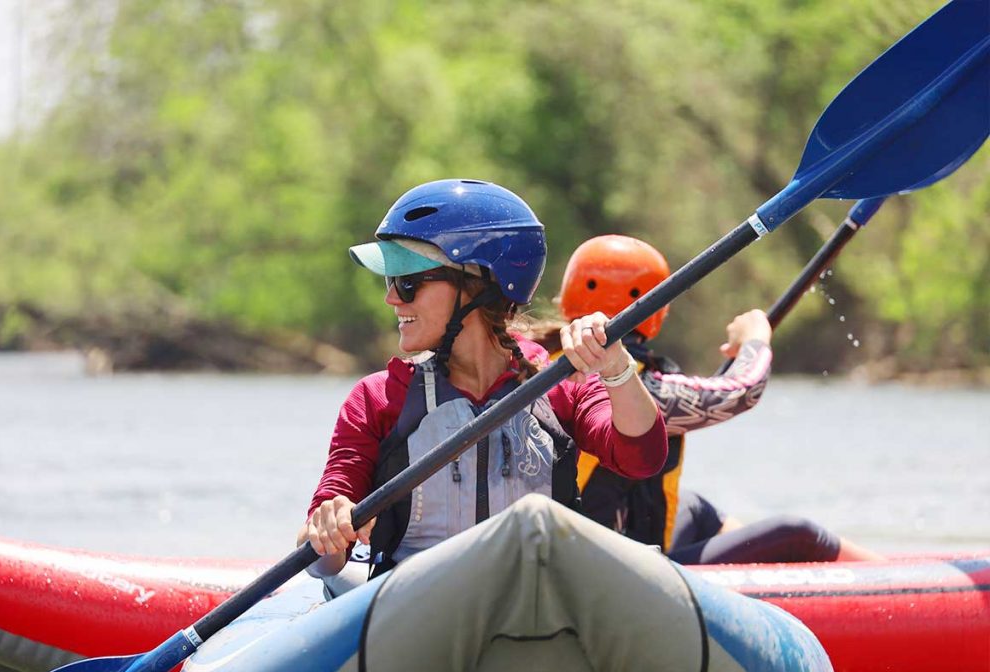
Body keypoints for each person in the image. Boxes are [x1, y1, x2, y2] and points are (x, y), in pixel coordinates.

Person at [296, 180, 668, 577]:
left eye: (407, 281)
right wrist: (326, 531)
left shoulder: (560, 383)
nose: (391, 298)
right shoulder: (378, 398)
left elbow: (642, 457)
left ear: (477, 285)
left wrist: (615, 366)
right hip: (415, 603)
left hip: (543, 597)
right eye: (391, 281)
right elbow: (322, 561)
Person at [546, 234, 882, 564]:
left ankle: (892, 573)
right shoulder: (625, 384)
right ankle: (901, 583)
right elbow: (739, 392)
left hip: (611, 542)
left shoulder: (553, 362)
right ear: (655, 309)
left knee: (693, 508)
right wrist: (755, 339)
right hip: (606, 570)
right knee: (797, 533)